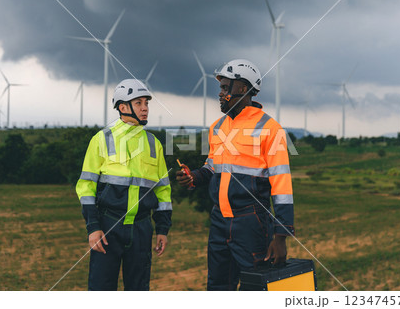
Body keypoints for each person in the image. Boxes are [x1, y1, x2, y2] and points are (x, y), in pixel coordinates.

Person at [176, 59, 294, 290]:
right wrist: (194, 178)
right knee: (218, 287)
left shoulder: (270, 129)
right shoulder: (217, 128)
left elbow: (282, 184)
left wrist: (281, 235)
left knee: (254, 289)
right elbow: (212, 167)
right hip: (219, 220)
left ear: (242, 88)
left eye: (224, 87)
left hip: (252, 222)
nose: (220, 93)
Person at [76, 79, 172, 291]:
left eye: (146, 103)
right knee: (101, 289)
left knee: (138, 290)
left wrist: (162, 229)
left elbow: (163, 190)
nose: (145, 108)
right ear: (122, 107)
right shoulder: (101, 139)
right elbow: (86, 187)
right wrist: (93, 227)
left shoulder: (153, 143)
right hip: (108, 225)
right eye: (138, 103)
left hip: (141, 228)